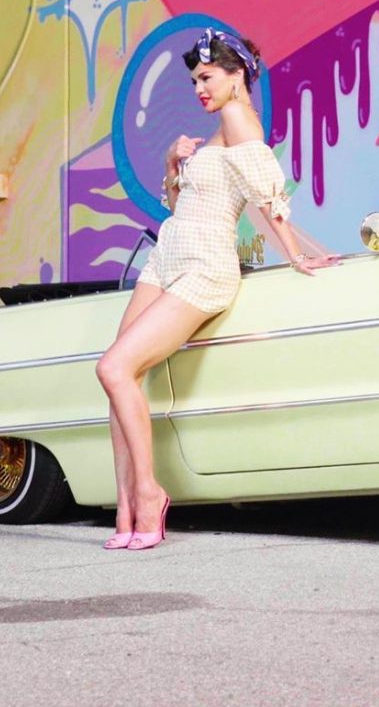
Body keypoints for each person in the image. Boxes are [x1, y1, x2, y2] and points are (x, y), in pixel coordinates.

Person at [95, 28, 340, 551]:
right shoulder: (219, 127)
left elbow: (267, 197)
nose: (198, 89)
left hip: (204, 265)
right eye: (194, 81)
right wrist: (171, 165)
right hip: (167, 256)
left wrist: (297, 255)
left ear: (237, 75)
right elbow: (178, 205)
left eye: (206, 77)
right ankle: (125, 506)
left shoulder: (238, 118)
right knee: (120, 380)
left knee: (113, 369)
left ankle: (148, 493)